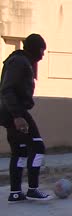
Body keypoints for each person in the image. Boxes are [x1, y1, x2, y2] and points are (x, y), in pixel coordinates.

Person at [0, 33, 52, 202]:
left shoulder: (20, 61)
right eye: (42, 50)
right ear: (35, 48)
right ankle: (33, 190)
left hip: (10, 111)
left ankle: (15, 193)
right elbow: (7, 90)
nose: (43, 55)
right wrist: (17, 116)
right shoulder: (20, 62)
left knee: (20, 151)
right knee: (38, 148)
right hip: (15, 112)